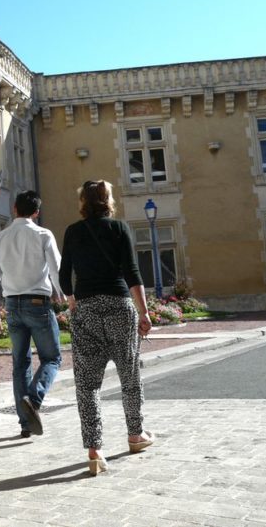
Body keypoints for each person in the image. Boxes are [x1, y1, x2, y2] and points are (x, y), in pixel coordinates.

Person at [58, 180, 154, 475]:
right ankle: (135, 435)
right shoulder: (119, 228)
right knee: (129, 375)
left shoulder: (73, 231)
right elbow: (132, 273)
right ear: (107, 200)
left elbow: (64, 277)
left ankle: (94, 450)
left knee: (87, 385)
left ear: (83, 202)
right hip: (118, 307)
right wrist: (144, 312)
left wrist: (73, 301)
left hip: (86, 310)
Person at [0, 190, 66, 439]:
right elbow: (55, 269)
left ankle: (25, 423)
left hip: (12, 305)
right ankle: (33, 398)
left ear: (14, 209)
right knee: (52, 358)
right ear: (36, 212)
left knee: (20, 364)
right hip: (37, 303)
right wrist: (62, 294)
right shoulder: (43, 234)